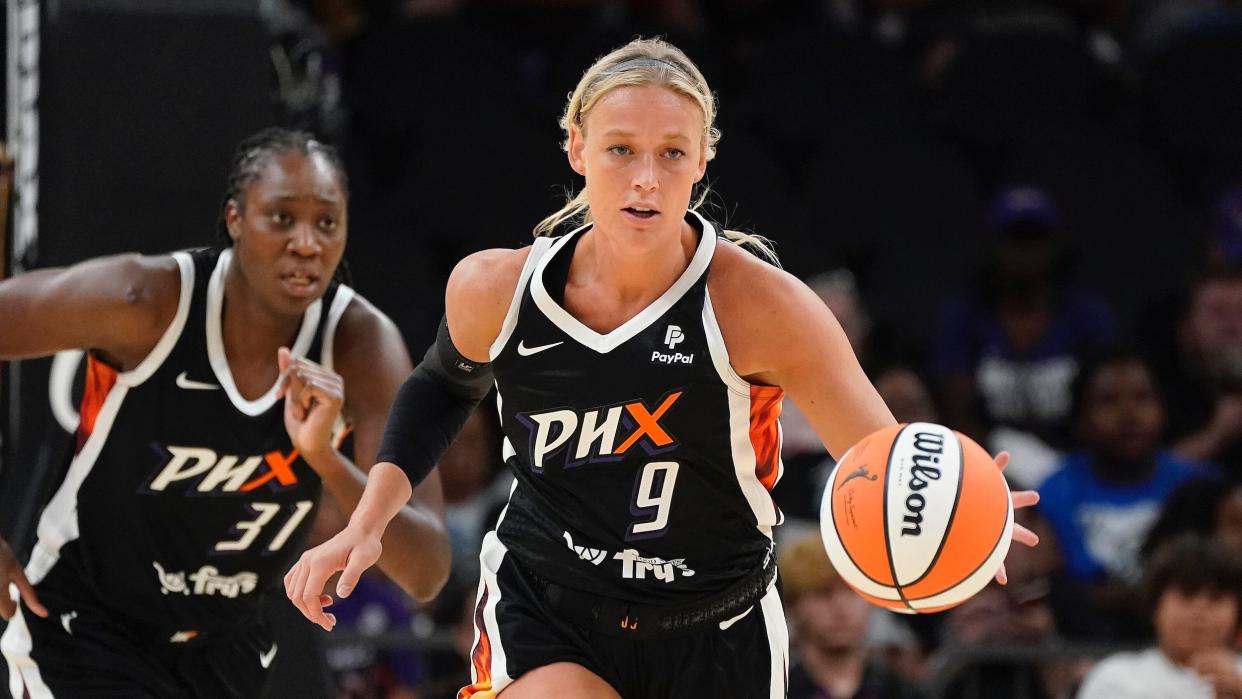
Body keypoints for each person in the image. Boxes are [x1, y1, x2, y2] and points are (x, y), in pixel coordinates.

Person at [284, 38, 1039, 699]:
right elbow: (444, 383)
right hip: (550, 606)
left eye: (672, 152)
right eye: (620, 149)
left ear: (703, 158)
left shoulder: (761, 305)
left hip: (715, 625)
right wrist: (368, 520)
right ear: (577, 148)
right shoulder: (497, 286)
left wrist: (960, 510)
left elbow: (879, 460)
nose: (646, 176)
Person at [0, 128, 451, 698]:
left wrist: (324, 458)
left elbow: (427, 569)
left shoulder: (360, 344)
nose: (307, 243)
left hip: (226, 646)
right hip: (86, 624)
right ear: (235, 219)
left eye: (327, 223)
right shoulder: (145, 302)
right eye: (282, 219)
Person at [1036, 349, 1206, 640]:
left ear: (1164, 409)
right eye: (1107, 401)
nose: (1129, 414)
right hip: (1084, 643)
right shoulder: (1054, 491)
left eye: (1143, 397)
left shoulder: (1198, 485)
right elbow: (1061, 590)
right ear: (1081, 419)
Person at [1077, 534, 1242, 699]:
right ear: (1155, 605)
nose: (1199, 611)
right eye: (1186, 595)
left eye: (1216, 598)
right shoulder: (1115, 678)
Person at [780, 533, 925, 699]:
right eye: (823, 593)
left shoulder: (904, 692)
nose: (841, 608)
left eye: (852, 591)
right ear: (793, 605)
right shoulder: (772, 692)